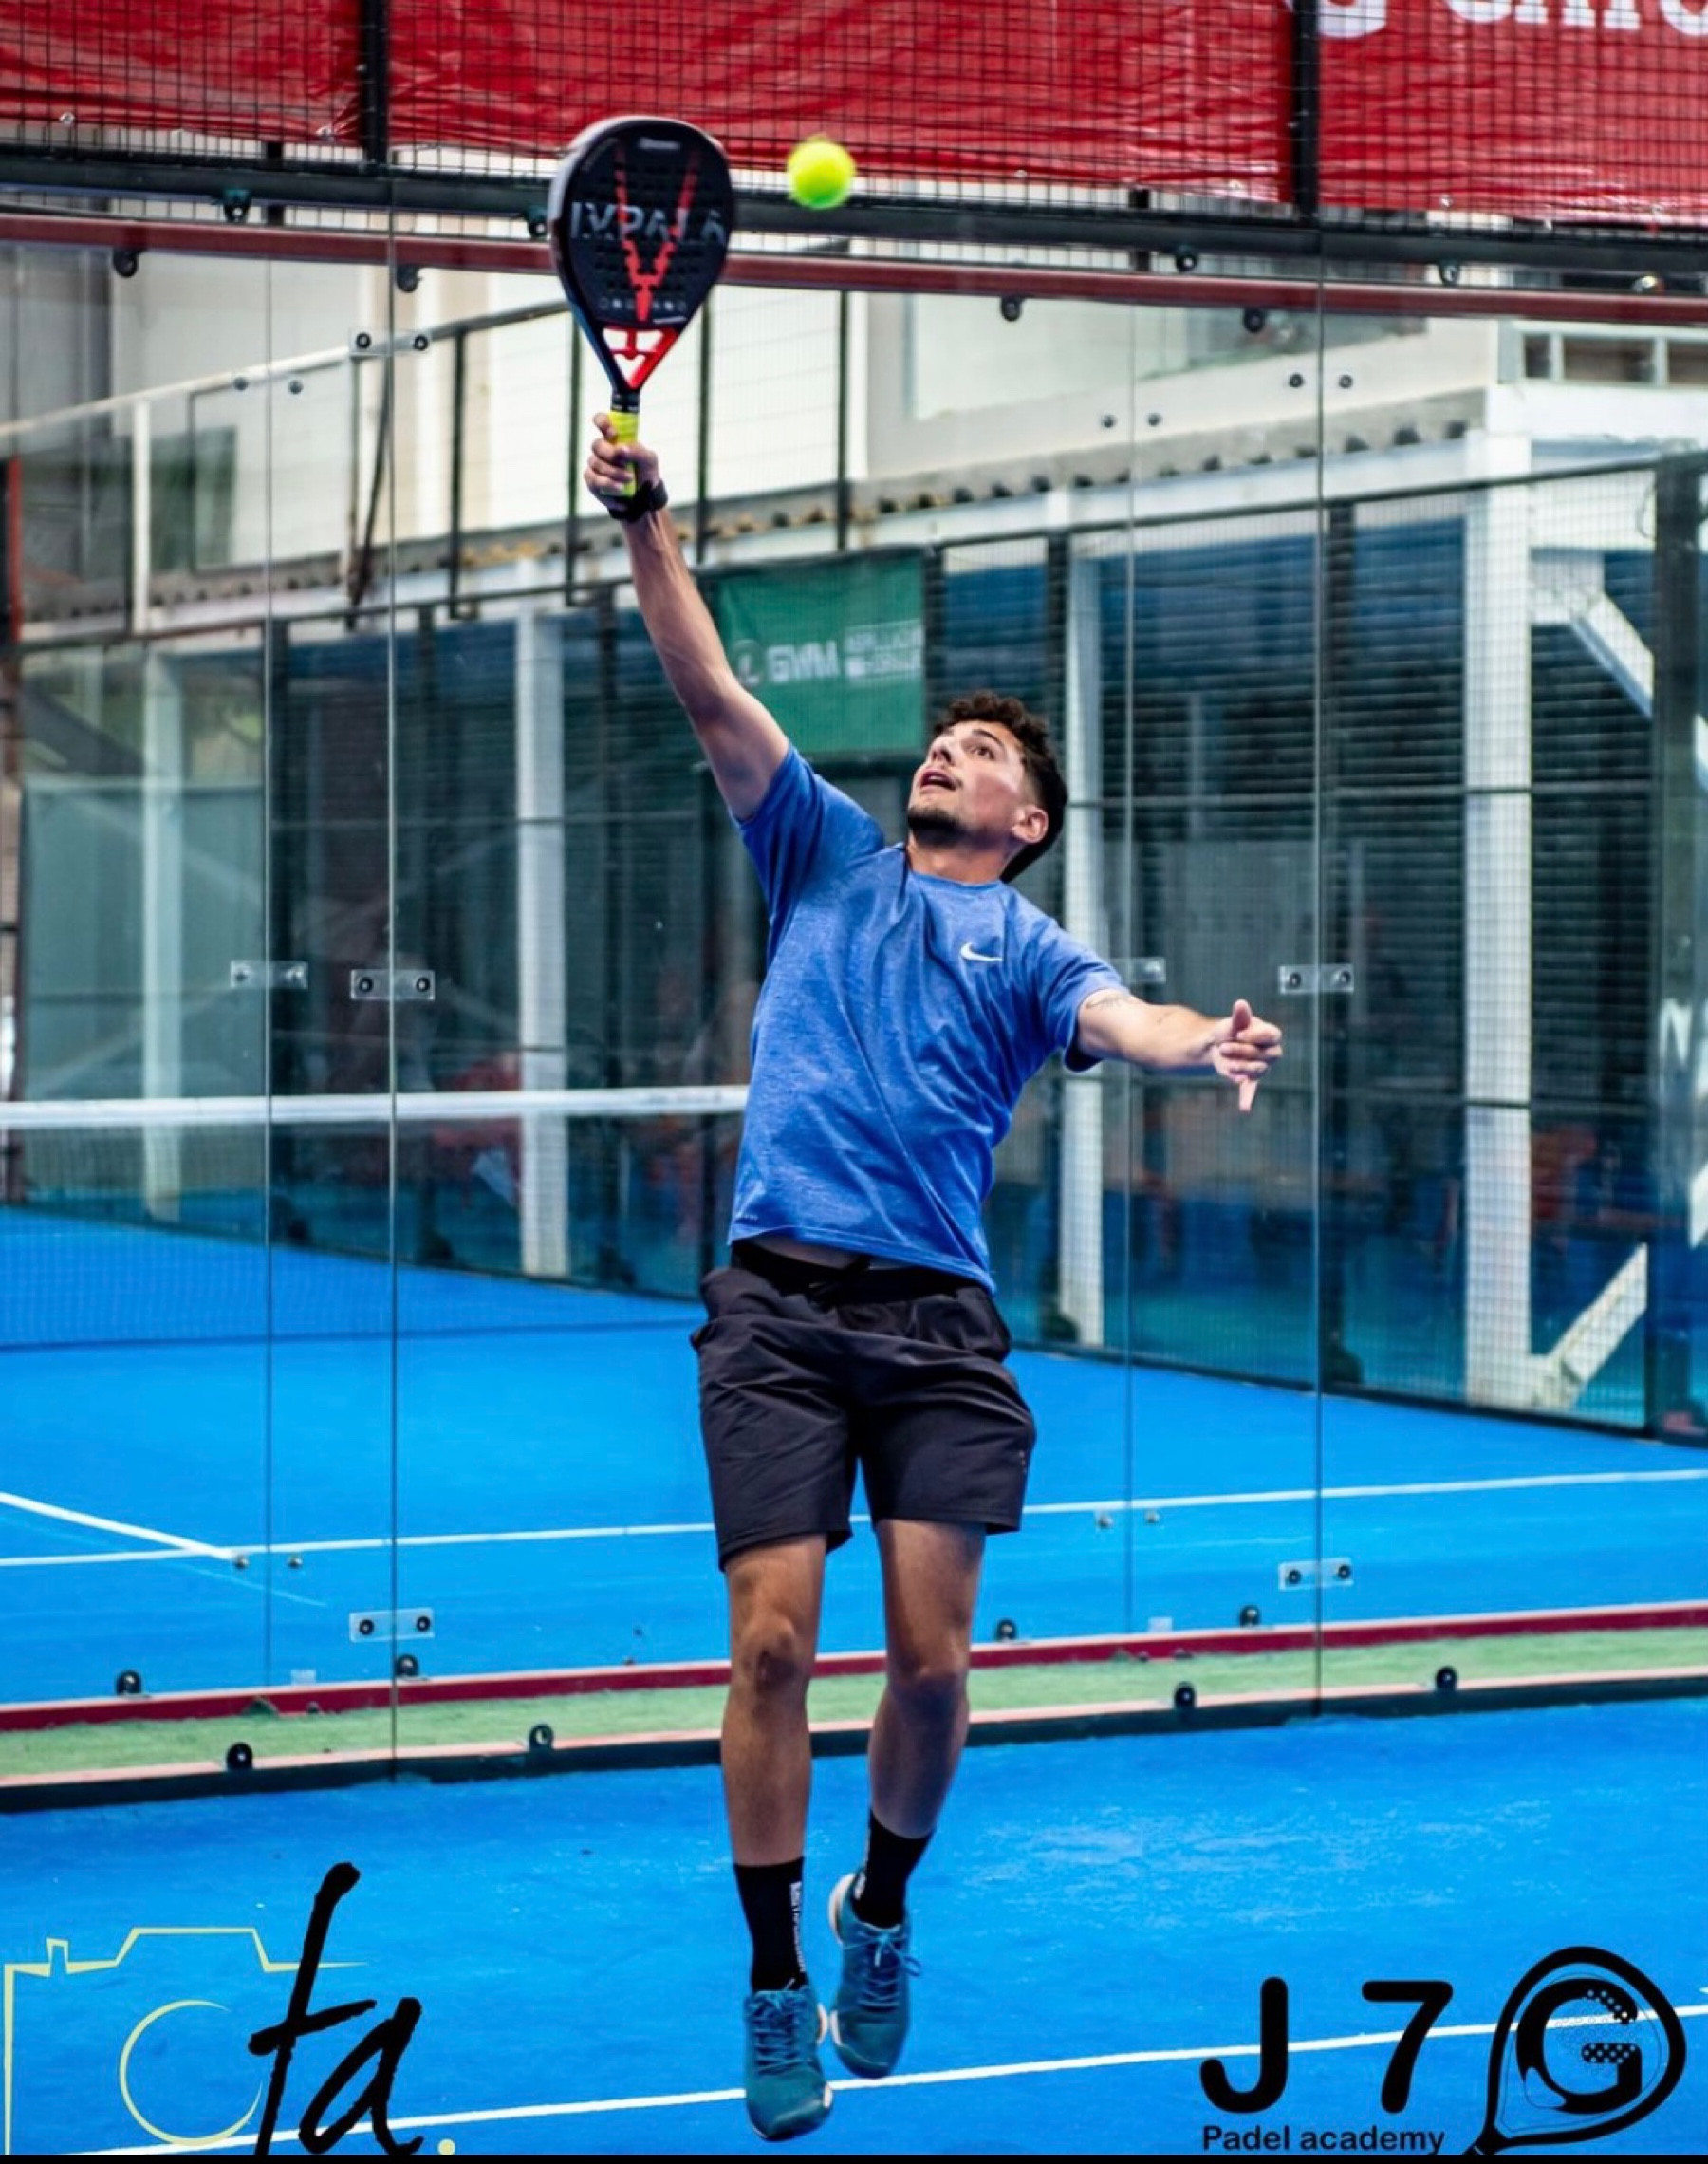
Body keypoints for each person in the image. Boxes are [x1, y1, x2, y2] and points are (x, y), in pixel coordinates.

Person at [583, 416, 1283, 2142]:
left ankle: (877, 1911)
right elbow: (709, 688)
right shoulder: (818, 854)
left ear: (1023, 819)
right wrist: (647, 525)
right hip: (774, 1309)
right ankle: (775, 1981)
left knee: (933, 1663)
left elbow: (1130, 1016)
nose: (949, 754)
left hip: (935, 1327)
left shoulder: (1033, 950)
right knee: (769, 1649)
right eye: (946, 741)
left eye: (982, 755)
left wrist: (1201, 1044)